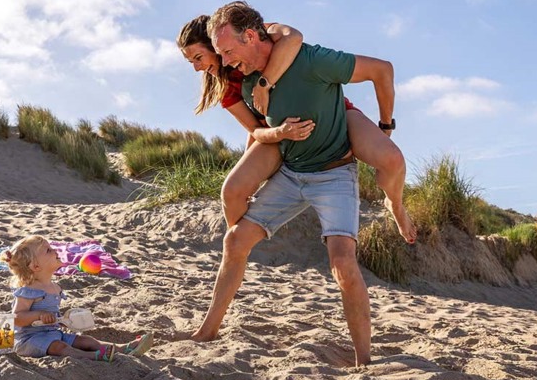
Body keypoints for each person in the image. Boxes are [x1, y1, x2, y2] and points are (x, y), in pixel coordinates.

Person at [194, 1, 395, 366]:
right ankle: (207, 331)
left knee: (343, 265)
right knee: (235, 239)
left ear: (252, 35)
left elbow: (377, 68)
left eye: (226, 52)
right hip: (290, 171)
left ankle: (363, 360)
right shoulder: (247, 82)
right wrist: (274, 139)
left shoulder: (309, 59)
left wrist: (385, 125)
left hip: (333, 174)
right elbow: (256, 132)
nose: (223, 62)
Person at [178, 16, 416, 245]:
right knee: (233, 190)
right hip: (279, 132)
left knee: (391, 159)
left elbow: (293, 37)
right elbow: (255, 127)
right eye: (192, 62)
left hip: (333, 114)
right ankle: (238, 247)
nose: (197, 68)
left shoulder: (252, 36)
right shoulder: (227, 86)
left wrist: (264, 83)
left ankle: (395, 204)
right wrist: (251, 171)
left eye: (199, 57)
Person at [0, 235, 153, 362]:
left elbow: (54, 316)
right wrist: (39, 315)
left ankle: (123, 348)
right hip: (29, 339)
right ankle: (92, 357)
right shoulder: (29, 290)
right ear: (36, 267)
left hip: (52, 333)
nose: (54, 250)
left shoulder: (54, 287)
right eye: (48, 250)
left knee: (86, 340)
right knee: (60, 348)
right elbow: (17, 318)